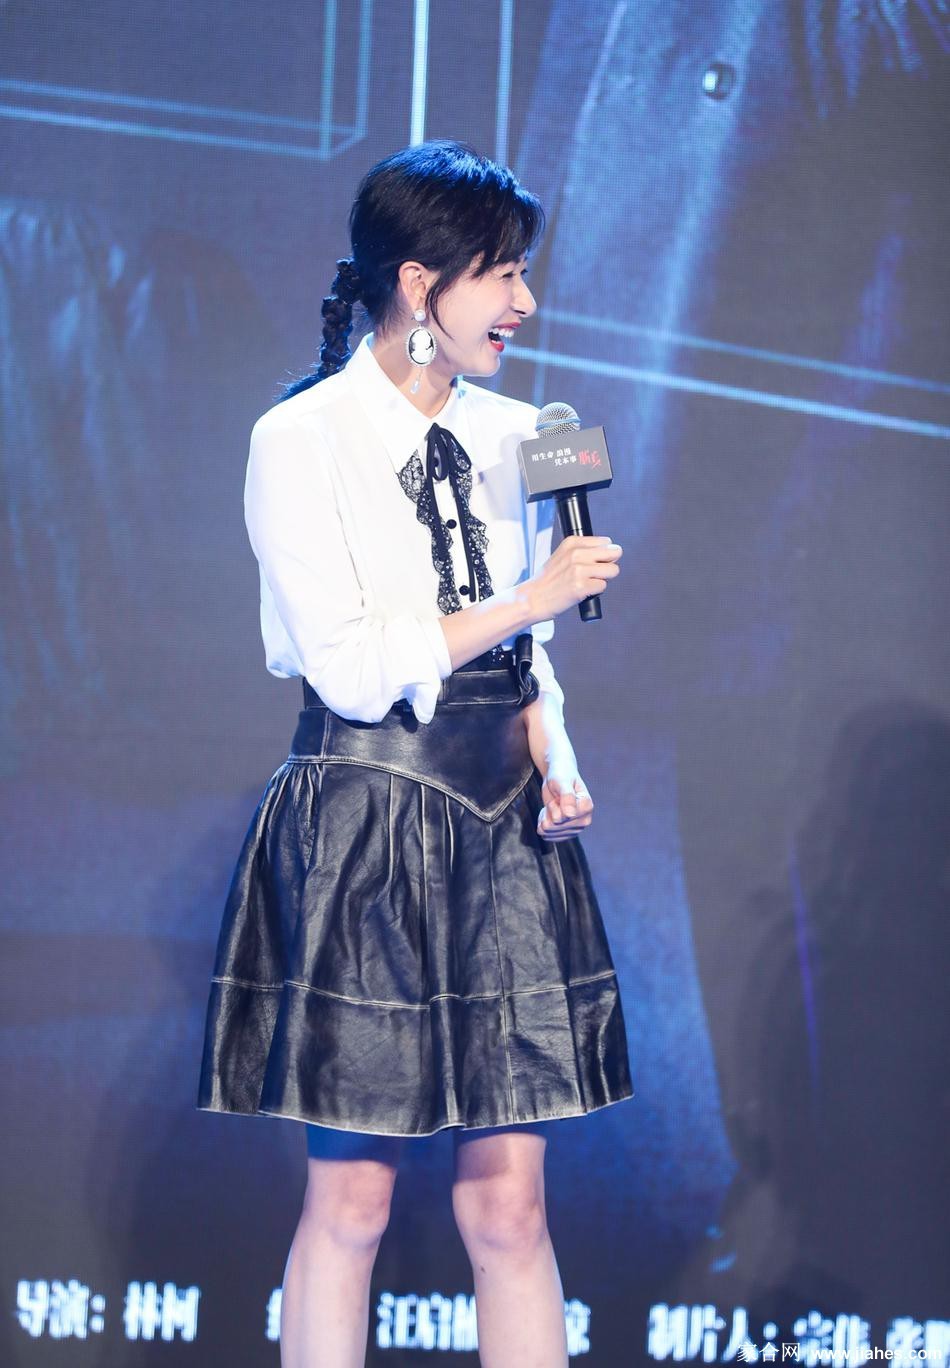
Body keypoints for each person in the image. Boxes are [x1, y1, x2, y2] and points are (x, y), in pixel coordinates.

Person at [196, 140, 633, 1368]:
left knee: (509, 1209)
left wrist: (554, 746)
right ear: (415, 283)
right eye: (500, 274)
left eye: (523, 273)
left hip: (504, 819)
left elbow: (533, 649)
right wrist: (528, 597)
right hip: (368, 813)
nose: (524, 302)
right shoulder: (301, 438)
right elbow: (347, 666)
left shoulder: (529, 434)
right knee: (353, 1204)